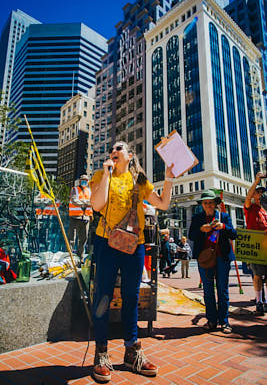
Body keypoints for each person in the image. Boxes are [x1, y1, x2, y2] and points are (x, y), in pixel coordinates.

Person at [90, 141, 176, 382]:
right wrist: (107, 173)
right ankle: (101, 353)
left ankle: (132, 352)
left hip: (134, 244)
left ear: (129, 155)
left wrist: (168, 178)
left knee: (132, 297)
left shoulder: (139, 180)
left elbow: (163, 204)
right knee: (103, 297)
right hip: (106, 243)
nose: (114, 151)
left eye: (119, 148)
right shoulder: (101, 174)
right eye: (112, 149)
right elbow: (97, 204)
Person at [189, 189, 237, 334]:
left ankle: (224, 321)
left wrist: (223, 227)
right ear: (202, 205)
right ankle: (211, 321)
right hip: (204, 259)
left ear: (216, 204)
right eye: (205, 203)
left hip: (222, 258)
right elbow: (191, 235)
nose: (208, 205)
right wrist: (201, 230)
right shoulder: (197, 218)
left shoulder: (224, 216)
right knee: (208, 291)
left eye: (211, 203)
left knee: (222, 290)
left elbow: (234, 234)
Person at [244, 172, 267, 316]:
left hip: (266, 246)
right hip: (255, 246)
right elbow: (248, 196)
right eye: (257, 192)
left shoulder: (265, 210)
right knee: (257, 275)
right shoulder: (249, 207)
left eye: (262, 192)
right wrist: (257, 180)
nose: (260, 194)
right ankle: (259, 301)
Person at [68, 174, 93, 262]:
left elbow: (92, 202)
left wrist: (84, 202)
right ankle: (70, 257)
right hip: (75, 217)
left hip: (86, 218)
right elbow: (74, 200)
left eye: (86, 180)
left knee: (83, 238)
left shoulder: (89, 191)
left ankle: (80, 257)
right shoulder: (74, 189)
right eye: (83, 180)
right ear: (79, 181)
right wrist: (85, 203)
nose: (84, 182)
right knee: (72, 238)